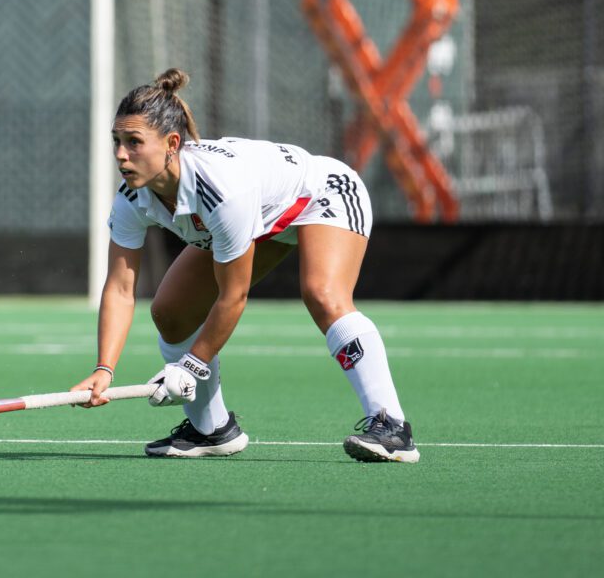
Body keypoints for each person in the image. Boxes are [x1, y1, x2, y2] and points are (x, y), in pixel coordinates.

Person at [72, 68, 419, 463]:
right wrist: (105, 368)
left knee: (323, 294)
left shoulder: (221, 191)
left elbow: (233, 296)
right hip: (262, 216)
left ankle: (391, 426)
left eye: (134, 143)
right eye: (117, 141)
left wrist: (190, 366)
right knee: (171, 313)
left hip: (322, 194)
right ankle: (212, 430)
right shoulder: (131, 198)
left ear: (171, 143)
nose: (121, 155)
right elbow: (119, 288)